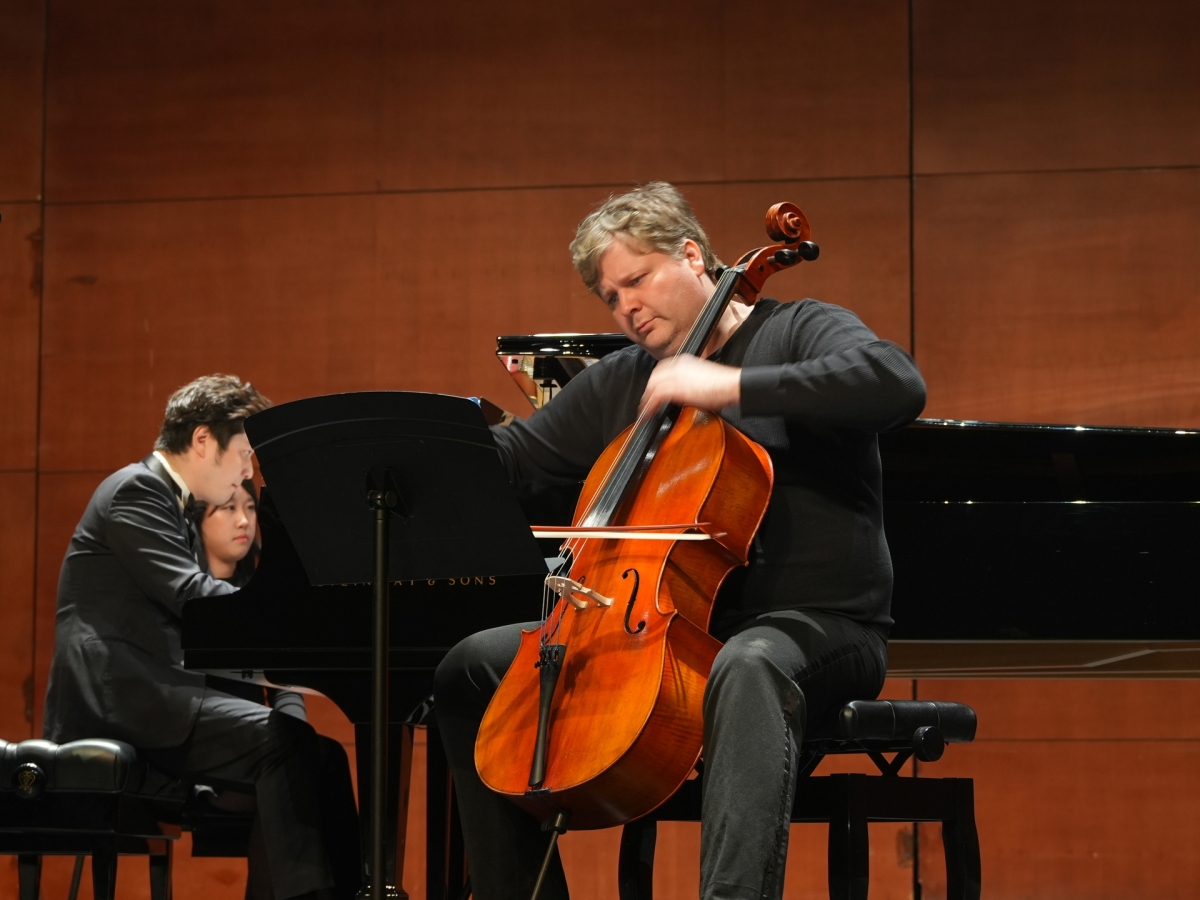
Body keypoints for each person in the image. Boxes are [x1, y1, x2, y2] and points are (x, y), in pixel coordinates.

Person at [433, 183, 927, 900]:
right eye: (611, 297)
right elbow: (520, 459)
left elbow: (896, 384)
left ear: (692, 255)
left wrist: (727, 386)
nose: (626, 307)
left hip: (818, 629)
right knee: (471, 667)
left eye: (637, 280)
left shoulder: (799, 328)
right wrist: (423, 445)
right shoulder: (629, 379)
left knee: (748, 665)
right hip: (667, 633)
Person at [43, 374, 361, 900]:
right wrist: (292, 621)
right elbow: (192, 596)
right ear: (202, 440)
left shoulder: (172, 505)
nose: (248, 471)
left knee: (326, 756)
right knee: (287, 746)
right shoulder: (136, 490)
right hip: (119, 700)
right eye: (244, 454)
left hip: (154, 691)